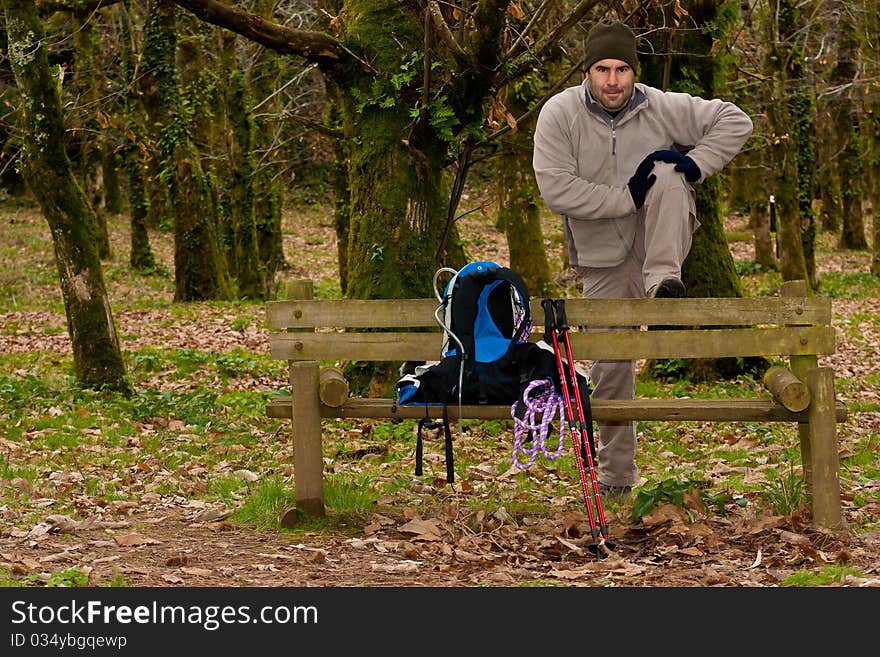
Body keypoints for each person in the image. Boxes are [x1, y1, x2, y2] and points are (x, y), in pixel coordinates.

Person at [532, 19, 753, 500]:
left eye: (622, 69)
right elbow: (555, 188)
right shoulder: (559, 114)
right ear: (587, 71)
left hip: (659, 243)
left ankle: (664, 283)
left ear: (635, 71)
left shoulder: (661, 105)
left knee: (669, 171)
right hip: (602, 258)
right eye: (602, 69)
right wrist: (624, 197)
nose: (613, 80)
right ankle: (615, 480)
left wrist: (696, 163)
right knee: (612, 368)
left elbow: (735, 120)